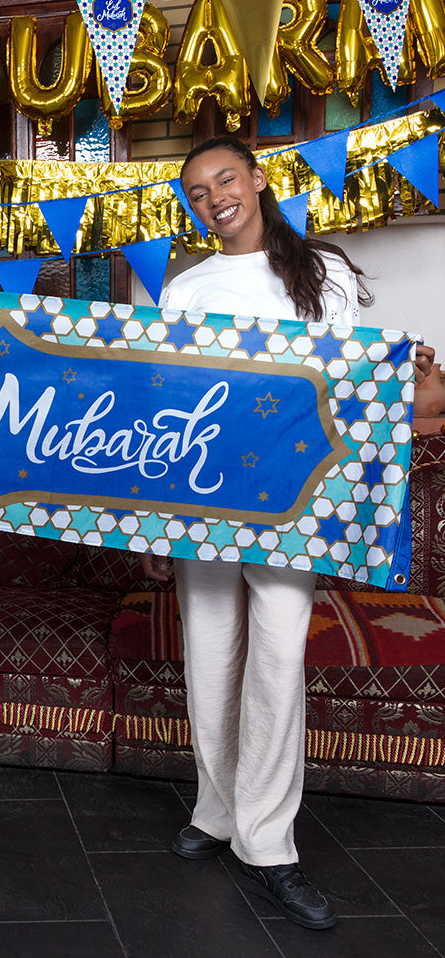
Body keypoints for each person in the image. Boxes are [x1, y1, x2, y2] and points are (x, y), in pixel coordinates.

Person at [141, 136, 434, 931]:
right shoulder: (186, 287)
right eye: (198, 192)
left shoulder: (322, 272)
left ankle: (268, 845)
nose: (214, 198)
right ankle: (216, 812)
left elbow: (348, 387)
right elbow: (167, 402)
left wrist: (398, 373)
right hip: (203, 500)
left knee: (275, 659)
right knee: (209, 657)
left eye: (225, 179)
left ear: (259, 179)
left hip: (293, 504)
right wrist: (156, 530)